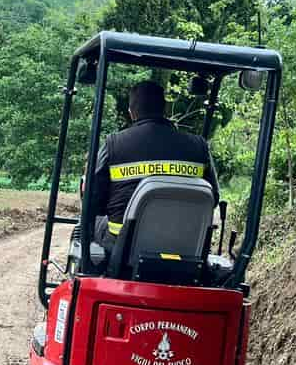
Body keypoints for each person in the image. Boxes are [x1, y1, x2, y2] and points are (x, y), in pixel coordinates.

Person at [89, 80, 220, 249]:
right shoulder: (198, 146)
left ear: (131, 113)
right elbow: (213, 198)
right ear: (164, 110)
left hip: (122, 247)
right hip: (185, 246)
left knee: (88, 224)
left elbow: (94, 200)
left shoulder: (114, 144)